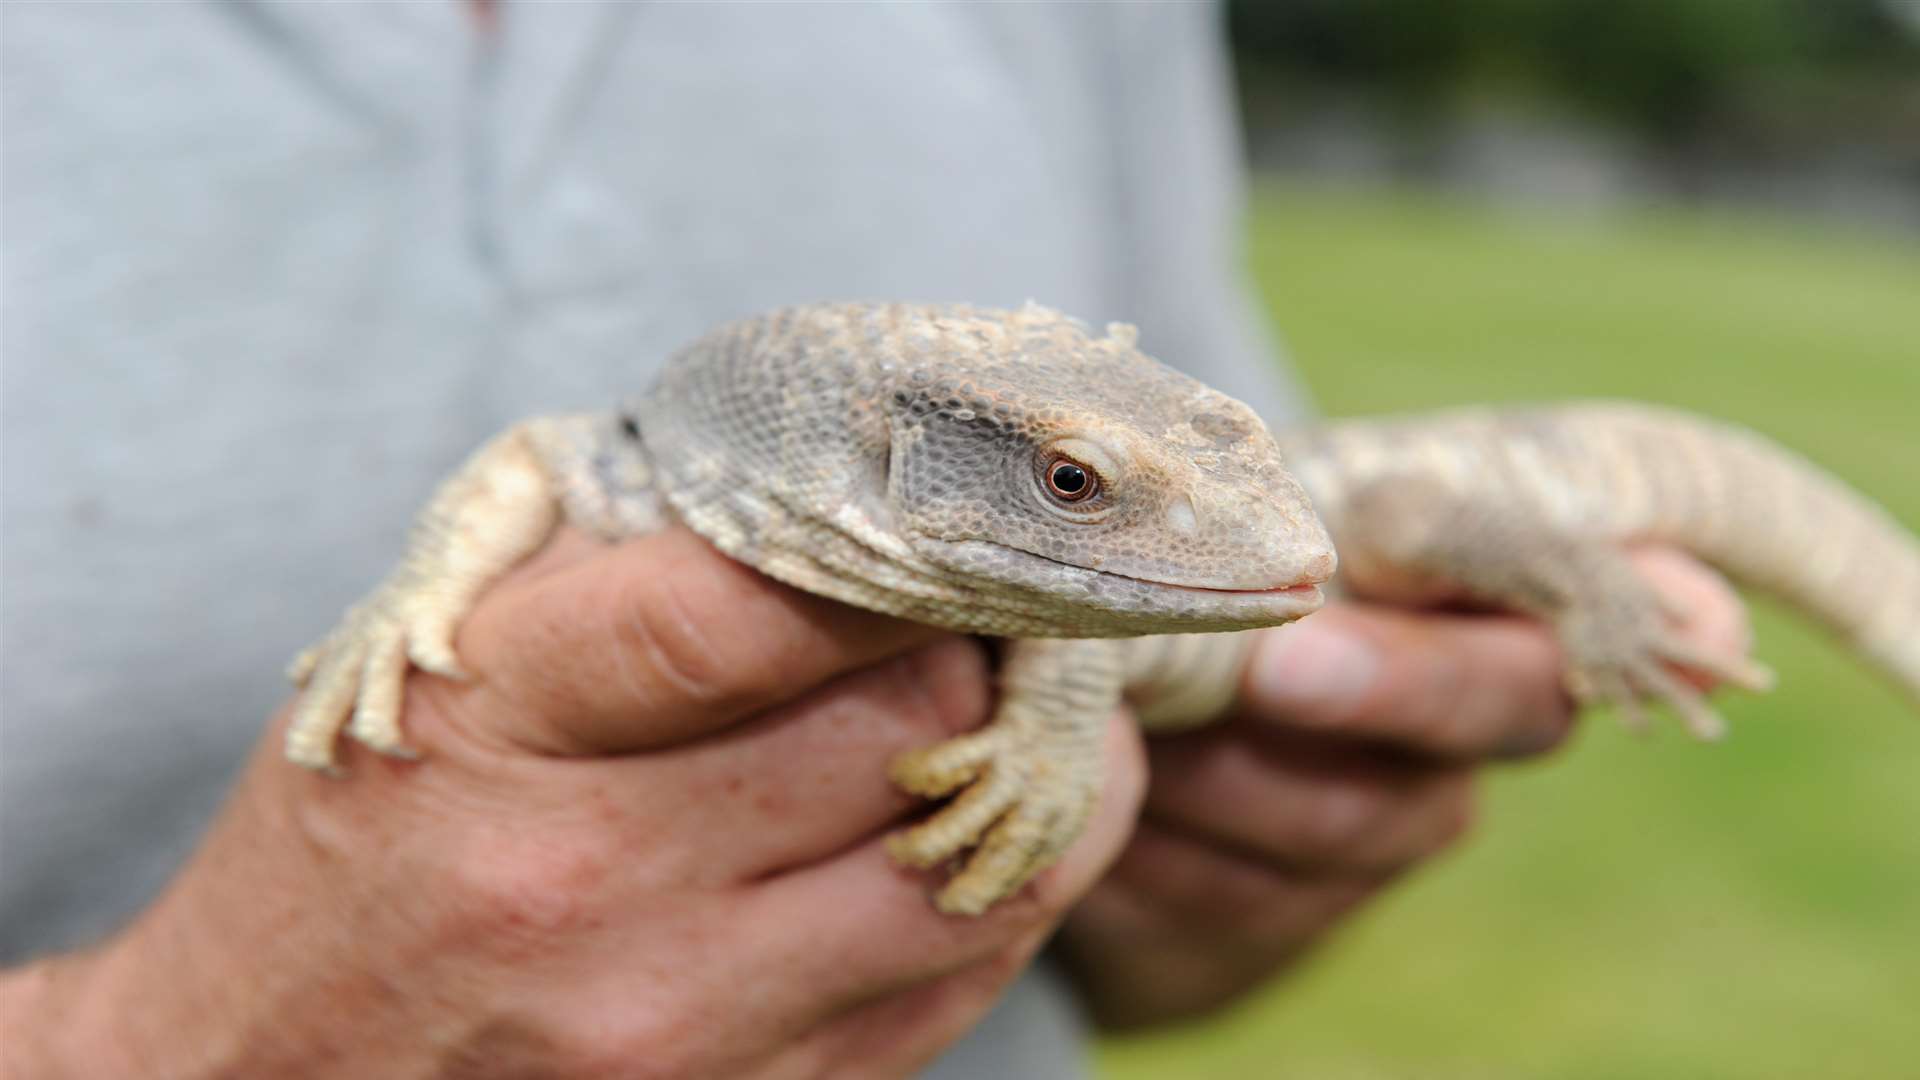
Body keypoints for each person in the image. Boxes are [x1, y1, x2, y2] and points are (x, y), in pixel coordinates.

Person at [0, 3, 1751, 1076]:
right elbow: (549, 459)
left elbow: (1210, 511)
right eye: (1065, 488)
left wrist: (1198, 870)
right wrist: (145, 1055)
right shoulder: (668, 465)